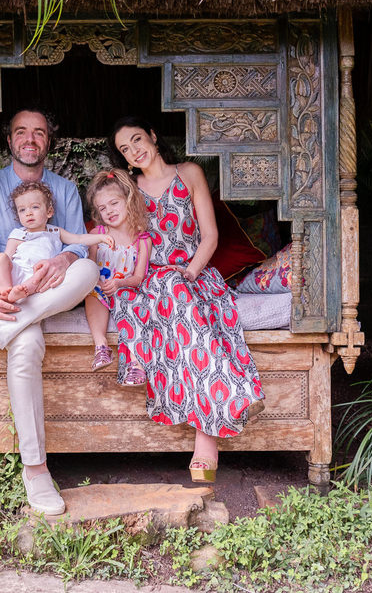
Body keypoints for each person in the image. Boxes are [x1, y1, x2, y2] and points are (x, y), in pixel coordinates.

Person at [0, 109, 100, 516]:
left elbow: (77, 246)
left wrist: (62, 262)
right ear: (10, 139)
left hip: (48, 287)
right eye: (22, 132)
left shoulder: (65, 190)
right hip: (4, 289)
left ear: (48, 140)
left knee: (88, 268)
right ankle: (36, 470)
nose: (30, 139)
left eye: (38, 132)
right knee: (27, 343)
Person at [108, 116, 266, 483]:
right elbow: (123, 240)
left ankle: (205, 442)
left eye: (137, 139)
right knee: (172, 291)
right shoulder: (129, 189)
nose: (135, 150)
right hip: (149, 280)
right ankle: (233, 397)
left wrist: (192, 272)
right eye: (125, 149)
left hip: (194, 272)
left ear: (153, 135)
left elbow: (209, 236)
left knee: (184, 295)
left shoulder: (190, 173)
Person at [0, 180, 112, 303]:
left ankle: (23, 291)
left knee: (50, 273)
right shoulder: (18, 234)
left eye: (35, 207)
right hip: (19, 272)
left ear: (49, 212)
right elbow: (7, 257)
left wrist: (100, 238)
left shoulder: (55, 231)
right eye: (22, 210)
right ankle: (6, 291)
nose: (28, 213)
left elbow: (79, 239)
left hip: (43, 276)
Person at [83, 169, 152, 377]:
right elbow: (89, 268)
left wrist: (120, 284)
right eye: (102, 208)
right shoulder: (97, 235)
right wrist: (101, 284)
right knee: (92, 294)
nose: (109, 211)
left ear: (128, 201)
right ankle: (101, 346)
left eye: (114, 203)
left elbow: (139, 277)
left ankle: (135, 363)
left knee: (133, 303)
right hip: (101, 288)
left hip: (126, 289)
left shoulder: (142, 239)